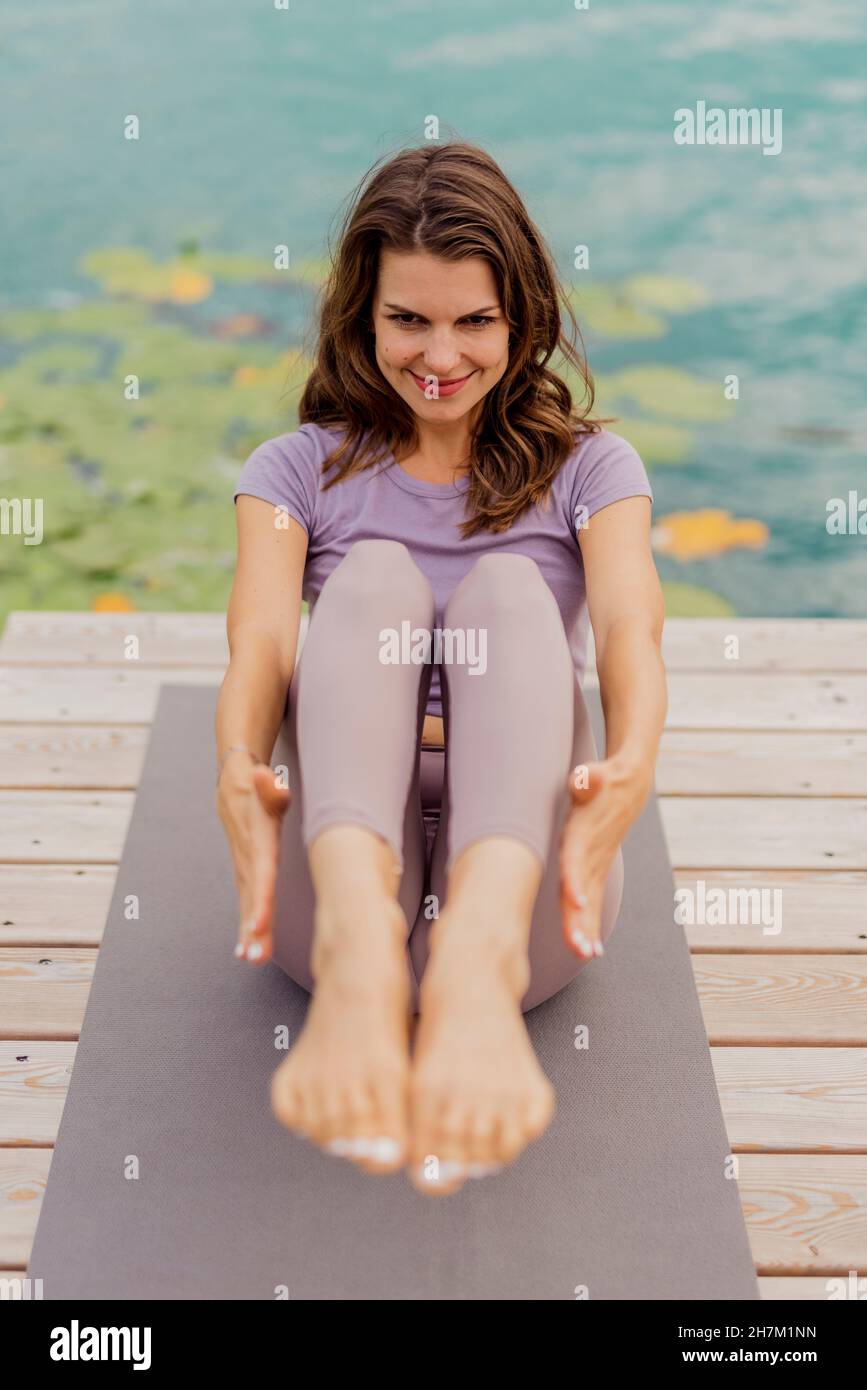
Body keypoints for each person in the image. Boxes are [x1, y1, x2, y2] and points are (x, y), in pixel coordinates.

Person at [216, 141, 667, 1197]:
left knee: (510, 594)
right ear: (362, 319)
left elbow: (629, 630)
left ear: (522, 320)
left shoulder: (592, 469)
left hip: (522, 902)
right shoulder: (294, 471)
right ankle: (365, 953)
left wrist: (633, 763)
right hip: (330, 896)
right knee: (370, 578)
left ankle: (472, 958)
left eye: (476, 321)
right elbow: (264, 640)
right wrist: (237, 760)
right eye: (408, 319)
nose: (440, 355)